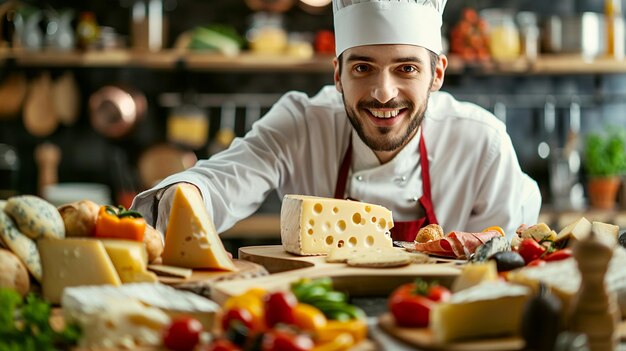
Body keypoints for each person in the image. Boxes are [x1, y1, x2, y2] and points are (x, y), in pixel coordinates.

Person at [131, 0, 541, 242]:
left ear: (437, 74)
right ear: (337, 74)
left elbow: (500, 270)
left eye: (406, 69)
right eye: (363, 68)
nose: (383, 92)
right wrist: (185, 194)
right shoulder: (302, 124)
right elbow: (221, 182)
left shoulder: (481, 143)